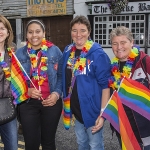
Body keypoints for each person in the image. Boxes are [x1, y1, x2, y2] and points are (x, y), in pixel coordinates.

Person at [62, 15, 111, 150]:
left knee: (95, 145)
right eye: (74, 30)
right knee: (81, 144)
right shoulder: (68, 51)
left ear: (89, 32)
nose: (78, 35)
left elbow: (106, 86)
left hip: (93, 112)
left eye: (82, 30)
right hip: (77, 112)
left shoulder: (98, 54)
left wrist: (102, 114)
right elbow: (62, 73)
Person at [16, 19, 63, 150]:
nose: (34, 35)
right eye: (30, 32)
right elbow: (15, 80)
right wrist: (27, 90)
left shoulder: (55, 51)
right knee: (31, 144)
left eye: (37, 31)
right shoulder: (19, 54)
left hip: (51, 103)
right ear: (26, 35)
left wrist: (56, 93)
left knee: (48, 143)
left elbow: (61, 76)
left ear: (44, 33)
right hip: (28, 104)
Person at [109, 26, 150, 150]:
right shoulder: (113, 68)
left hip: (145, 131)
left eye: (123, 42)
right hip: (124, 130)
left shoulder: (144, 61)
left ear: (132, 42)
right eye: (115, 43)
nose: (119, 47)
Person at [0, 15, 18, 150]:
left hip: (8, 106)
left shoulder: (14, 51)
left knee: (11, 146)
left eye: (2, 28)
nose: (0, 32)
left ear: (8, 32)